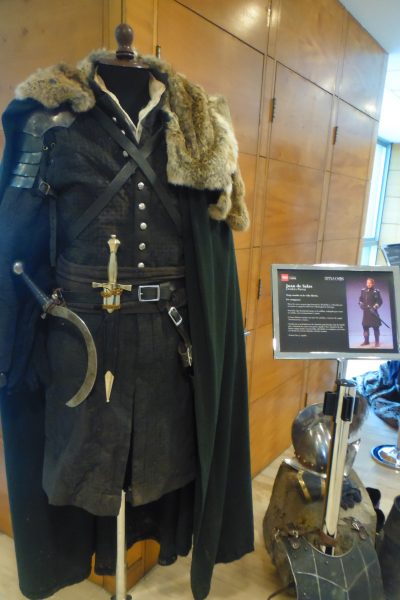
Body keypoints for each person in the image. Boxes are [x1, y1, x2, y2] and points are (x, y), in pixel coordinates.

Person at [359, 278, 383, 347]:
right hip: (366, 312)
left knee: (376, 327)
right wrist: (361, 304)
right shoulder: (363, 291)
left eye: (370, 283)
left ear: (372, 284)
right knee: (365, 327)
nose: (369, 284)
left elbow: (380, 301)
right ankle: (366, 341)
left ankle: (377, 342)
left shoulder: (376, 291)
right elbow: (360, 299)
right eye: (368, 283)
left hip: (373, 312)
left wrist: (375, 307)